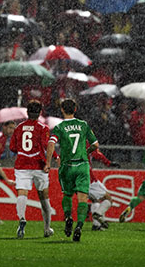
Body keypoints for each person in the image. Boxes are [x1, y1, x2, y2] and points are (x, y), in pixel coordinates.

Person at [44, 98, 98, 242]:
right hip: (82, 165)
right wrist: (86, 151)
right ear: (75, 109)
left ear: (62, 110)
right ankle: (79, 226)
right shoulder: (83, 125)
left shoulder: (59, 127)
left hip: (67, 166)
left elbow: (51, 144)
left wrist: (48, 163)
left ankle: (68, 217)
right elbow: (95, 144)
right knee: (82, 199)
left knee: (67, 195)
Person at [9, 100, 54, 239]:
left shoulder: (19, 127)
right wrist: (51, 160)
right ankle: (47, 228)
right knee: (43, 196)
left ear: (27, 112)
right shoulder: (43, 128)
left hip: (22, 164)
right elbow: (46, 145)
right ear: (40, 112)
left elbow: (12, 148)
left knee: (22, 193)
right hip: (38, 165)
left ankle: (22, 219)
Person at [87, 148, 121, 231]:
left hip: (75, 178)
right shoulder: (86, 140)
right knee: (108, 198)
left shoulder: (71, 141)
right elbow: (97, 154)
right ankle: (98, 214)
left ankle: (96, 225)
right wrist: (108, 163)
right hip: (88, 178)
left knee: (95, 200)